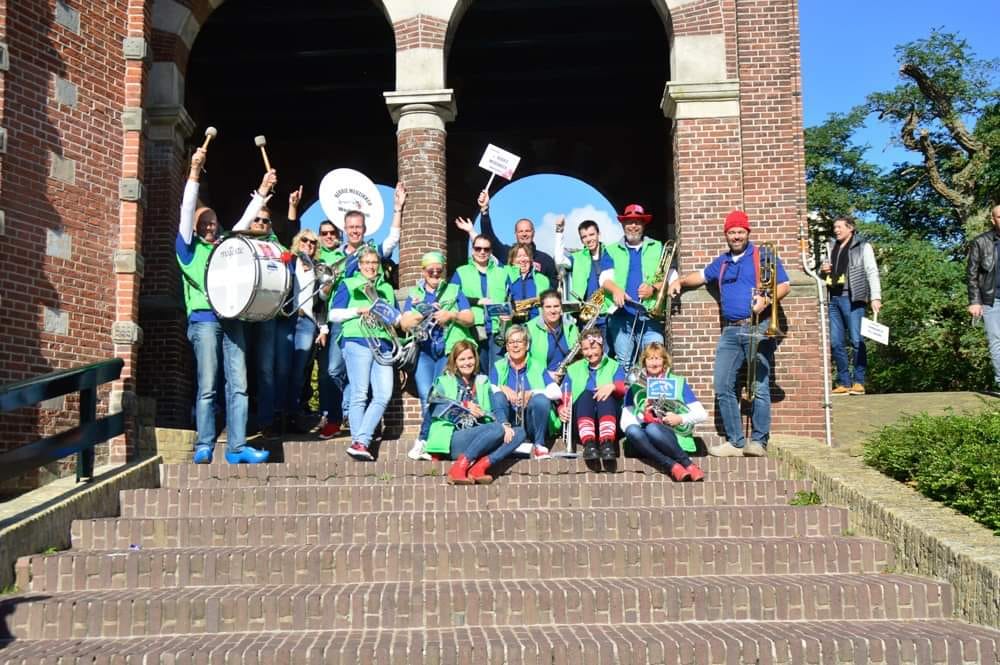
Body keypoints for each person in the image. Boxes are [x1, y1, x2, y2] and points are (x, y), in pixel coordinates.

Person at [668, 210, 790, 458]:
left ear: (747, 233)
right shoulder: (722, 262)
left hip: (758, 326)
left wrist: (765, 300)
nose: (736, 236)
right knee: (723, 384)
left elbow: (784, 285)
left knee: (758, 386)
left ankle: (758, 442)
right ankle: (735, 442)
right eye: (732, 232)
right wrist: (678, 281)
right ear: (726, 235)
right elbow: (700, 277)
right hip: (731, 329)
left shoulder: (762, 255)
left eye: (740, 232)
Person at [176, 147, 271, 464]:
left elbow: (245, 220)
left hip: (232, 319)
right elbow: (188, 207)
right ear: (193, 228)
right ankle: (204, 444)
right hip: (203, 321)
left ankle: (237, 447)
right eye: (204, 223)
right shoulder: (187, 251)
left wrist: (263, 190)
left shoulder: (226, 246)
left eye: (214, 222)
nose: (210, 227)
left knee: (240, 386)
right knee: (207, 385)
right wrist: (193, 173)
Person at [316, 184, 405, 438]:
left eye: (359, 227)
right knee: (333, 369)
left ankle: (355, 419)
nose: (355, 231)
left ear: (364, 229)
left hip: (369, 325)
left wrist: (397, 209)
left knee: (363, 382)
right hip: (342, 317)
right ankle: (341, 413)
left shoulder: (370, 253)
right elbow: (322, 296)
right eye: (351, 227)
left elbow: (391, 242)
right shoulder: (334, 258)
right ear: (345, 230)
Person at [328, 245, 402, 460]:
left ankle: (359, 441)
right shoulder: (349, 283)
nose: (370, 266)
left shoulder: (386, 288)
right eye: (366, 263)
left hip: (384, 343)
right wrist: (359, 310)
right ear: (359, 265)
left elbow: (396, 319)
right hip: (357, 339)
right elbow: (333, 314)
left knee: (383, 394)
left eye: (374, 263)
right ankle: (361, 443)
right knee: (359, 394)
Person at [401, 251, 475, 459]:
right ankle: (430, 441)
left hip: (447, 350)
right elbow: (404, 324)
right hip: (424, 351)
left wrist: (450, 315)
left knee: (439, 395)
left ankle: (426, 441)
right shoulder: (415, 293)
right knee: (426, 396)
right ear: (423, 271)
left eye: (438, 270)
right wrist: (422, 313)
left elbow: (470, 317)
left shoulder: (454, 289)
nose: (434, 273)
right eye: (430, 270)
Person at [425, 341, 526, 484]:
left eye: (470, 358)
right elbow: (435, 408)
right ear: (454, 362)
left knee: (520, 432)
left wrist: (505, 425)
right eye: (462, 359)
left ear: (476, 359)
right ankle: (458, 468)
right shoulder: (443, 381)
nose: (467, 363)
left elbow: (496, 409)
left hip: (482, 436)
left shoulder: (483, 381)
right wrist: (464, 406)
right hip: (452, 439)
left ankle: (479, 468)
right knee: (497, 428)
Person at [600, 204, 674, 373]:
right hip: (621, 317)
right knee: (624, 365)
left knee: (655, 365)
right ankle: (628, 399)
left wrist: (653, 289)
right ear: (623, 225)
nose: (633, 226)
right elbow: (604, 279)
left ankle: (654, 400)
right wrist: (617, 290)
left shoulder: (657, 247)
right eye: (629, 222)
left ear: (643, 225)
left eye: (637, 222)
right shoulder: (611, 249)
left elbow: (669, 277)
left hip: (650, 318)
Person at [621, 343, 706, 481]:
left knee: (653, 429)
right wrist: (643, 415)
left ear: (664, 361)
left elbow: (702, 414)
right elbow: (625, 423)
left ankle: (685, 463)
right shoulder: (635, 386)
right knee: (633, 431)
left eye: (658, 358)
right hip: (645, 439)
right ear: (644, 362)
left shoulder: (678, 382)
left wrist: (680, 418)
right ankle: (674, 466)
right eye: (650, 359)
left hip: (672, 435)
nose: (654, 363)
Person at [820, 217, 882, 396]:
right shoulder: (830, 247)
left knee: (856, 340)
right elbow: (822, 273)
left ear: (850, 228)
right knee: (836, 342)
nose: (836, 230)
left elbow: (872, 271)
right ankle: (844, 382)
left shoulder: (863, 247)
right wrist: (822, 271)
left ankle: (859, 382)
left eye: (839, 227)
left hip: (853, 298)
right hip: (834, 299)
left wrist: (875, 297)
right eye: (834, 227)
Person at [551, 330, 626, 461]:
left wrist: (612, 386)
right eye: (585, 349)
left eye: (593, 348)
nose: (590, 353)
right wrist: (561, 408)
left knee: (603, 394)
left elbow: (624, 388)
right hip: (581, 424)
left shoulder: (615, 366)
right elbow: (565, 395)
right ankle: (589, 444)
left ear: (602, 347)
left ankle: (607, 443)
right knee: (586, 394)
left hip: (610, 421)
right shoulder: (573, 368)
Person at [457, 189, 558, 283]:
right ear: (515, 234)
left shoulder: (546, 260)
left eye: (527, 231)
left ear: (533, 233)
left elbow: (553, 286)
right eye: (520, 231)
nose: (524, 234)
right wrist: (484, 211)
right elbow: (489, 237)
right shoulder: (506, 253)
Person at [284, 228, 330, 432]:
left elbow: (322, 301)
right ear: (297, 241)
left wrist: (323, 327)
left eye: (313, 243)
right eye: (305, 240)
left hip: (307, 322)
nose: (309, 245)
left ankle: (293, 413)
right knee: (281, 366)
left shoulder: (319, 268)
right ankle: (279, 414)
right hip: (286, 319)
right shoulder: (288, 262)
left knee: (299, 369)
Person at [490, 325, 558, 460]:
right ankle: (503, 440)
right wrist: (502, 388)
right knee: (497, 396)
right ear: (507, 347)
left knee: (541, 399)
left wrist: (531, 393)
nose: (515, 346)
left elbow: (556, 392)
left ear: (527, 346)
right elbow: (487, 389)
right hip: (509, 421)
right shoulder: (499, 366)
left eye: (519, 342)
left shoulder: (537, 366)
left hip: (530, 421)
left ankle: (539, 445)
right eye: (511, 342)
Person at [450, 230, 511, 374]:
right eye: (478, 248)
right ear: (473, 250)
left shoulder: (502, 273)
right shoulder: (461, 272)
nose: (482, 252)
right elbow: (451, 297)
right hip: (472, 330)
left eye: (486, 249)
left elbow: (510, 299)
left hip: (498, 330)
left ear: (491, 251)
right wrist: (477, 301)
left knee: (498, 371)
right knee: (478, 373)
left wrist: (510, 313)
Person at [314, 220, 347, 436]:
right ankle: (331, 416)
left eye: (332, 232)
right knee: (328, 371)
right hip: (327, 320)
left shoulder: (347, 255)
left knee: (343, 371)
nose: (328, 236)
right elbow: (317, 298)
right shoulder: (317, 259)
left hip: (349, 316)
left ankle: (342, 415)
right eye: (324, 233)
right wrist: (322, 327)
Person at [554, 218, 613, 332]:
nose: (589, 239)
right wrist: (559, 231)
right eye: (584, 237)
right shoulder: (577, 257)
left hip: (608, 314)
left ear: (599, 234)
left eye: (591, 235)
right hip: (586, 315)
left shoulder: (611, 253)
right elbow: (559, 259)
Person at [526, 289, 579, 372]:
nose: (553, 311)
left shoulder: (571, 327)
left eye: (556, 306)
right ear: (541, 309)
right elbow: (524, 361)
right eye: (548, 307)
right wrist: (546, 375)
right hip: (540, 379)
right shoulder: (529, 328)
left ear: (561, 308)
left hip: (567, 378)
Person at [507, 243, 551, 322]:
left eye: (525, 256)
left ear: (530, 259)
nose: (523, 259)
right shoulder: (505, 277)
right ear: (512, 260)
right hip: (512, 327)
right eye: (519, 256)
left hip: (536, 326)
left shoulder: (542, 279)